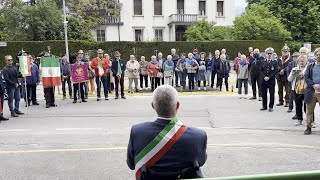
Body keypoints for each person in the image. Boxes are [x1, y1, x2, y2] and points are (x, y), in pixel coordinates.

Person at [126, 85, 207, 179]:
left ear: (153, 105)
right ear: (177, 105)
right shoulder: (198, 136)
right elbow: (201, 161)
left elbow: (131, 164)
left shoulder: (137, 132)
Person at [303, 48, 320, 135]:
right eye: (317, 55)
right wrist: (314, 85)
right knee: (309, 110)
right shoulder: (310, 66)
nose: (318, 56)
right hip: (311, 91)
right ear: (315, 56)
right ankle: (308, 127)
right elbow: (306, 78)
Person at [288, 55, 307, 126]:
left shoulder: (308, 69)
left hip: (306, 89)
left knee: (307, 106)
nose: (301, 63)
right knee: (298, 105)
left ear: (306, 61)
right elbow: (289, 79)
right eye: (300, 61)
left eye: (303, 61)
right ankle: (299, 120)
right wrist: (294, 74)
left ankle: (311, 120)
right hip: (296, 90)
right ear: (297, 62)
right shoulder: (295, 69)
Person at [260, 48, 278, 112]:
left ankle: (271, 106)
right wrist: (264, 77)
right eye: (268, 53)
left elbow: (275, 71)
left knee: (271, 94)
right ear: (266, 54)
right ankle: (264, 106)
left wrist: (269, 77)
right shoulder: (263, 61)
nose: (269, 54)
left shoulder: (274, 62)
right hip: (263, 80)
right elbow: (260, 70)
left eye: (270, 53)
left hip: (271, 80)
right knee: (264, 93)